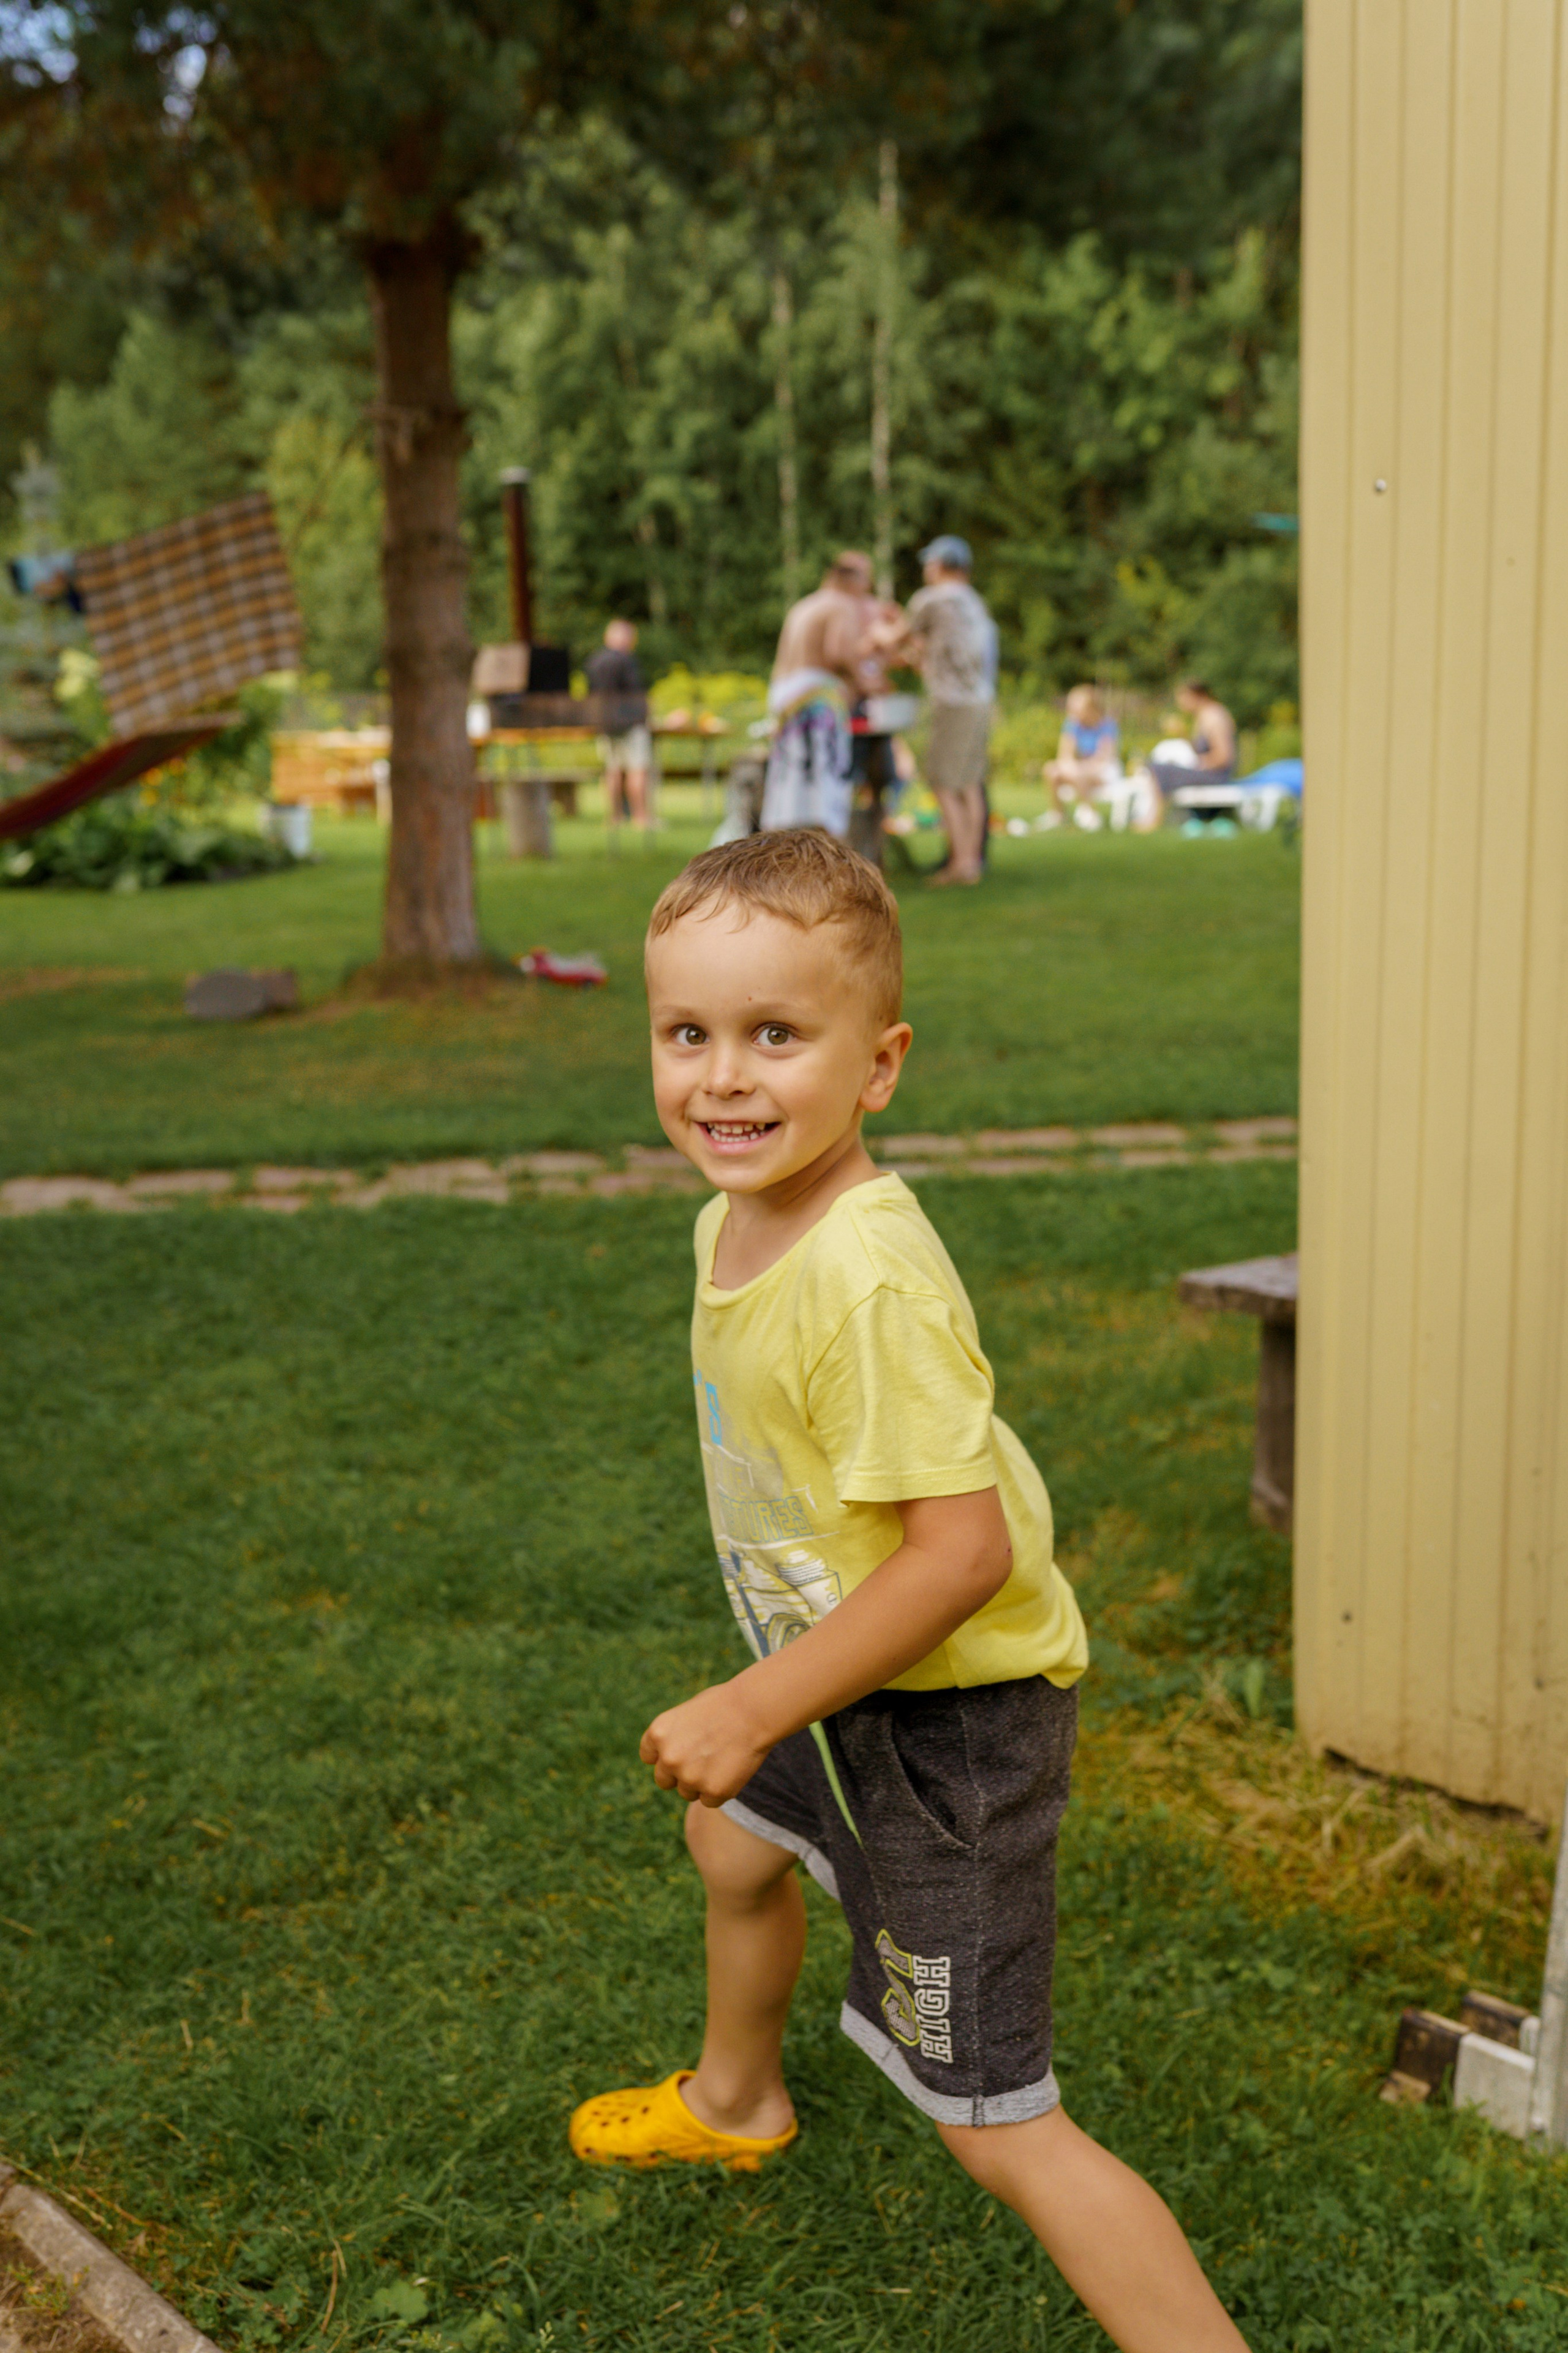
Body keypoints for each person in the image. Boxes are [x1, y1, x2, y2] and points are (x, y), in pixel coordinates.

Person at [568, 829, 1252, 2353]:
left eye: (774, 1035)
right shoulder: (737, 1215)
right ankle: (734, 2100)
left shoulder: (864, 1282)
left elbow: (960, 1556)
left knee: (994, 2120)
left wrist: (750, 1699)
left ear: (877, 1065)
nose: (722, 1078)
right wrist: (781, 1698)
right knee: (730, 1836)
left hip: (950, 1724)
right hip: (840, 1669)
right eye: (686, 1033)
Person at [880, 535, 995, 886]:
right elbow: (932, 654)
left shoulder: (932, 599)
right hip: (980, 700)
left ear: (942, 565)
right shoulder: (972, 603)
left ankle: (962, 865)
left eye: (929, 563)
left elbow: (891, 641)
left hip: (954, 704)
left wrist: (876, 630)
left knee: (944, 782)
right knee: (970, 783)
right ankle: (971, 862)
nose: (926, 569)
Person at [761, 553, 878, 838]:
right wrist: (864, 680)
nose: (868, 588)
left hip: (784, 696)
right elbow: (839, 652)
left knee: (789, 783)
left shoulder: (805, 605)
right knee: (824, 782)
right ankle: (828, 849)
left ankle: (781, 849)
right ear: (852, 580)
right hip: (816, 699)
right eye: (867, 580)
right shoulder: (842, 604)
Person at [1139, 679, 1237, 828]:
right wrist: (1182, 733)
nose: (1180, 703)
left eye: (1183, 697)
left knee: (1158, 769)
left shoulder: (1214, 716)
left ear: (1197, 695)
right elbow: (1198, 751)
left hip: (1217, 775)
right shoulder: (1203, 716)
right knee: (1159, 766)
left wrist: (1195, 764)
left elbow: (1224, 758)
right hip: (1209, 772)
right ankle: (1153, 817)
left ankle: (1154, 820)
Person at [587, 619, 652, 831]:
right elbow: (635, 693)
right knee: (637, 770)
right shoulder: (627, 661)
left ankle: (615, 817)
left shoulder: (594, 661)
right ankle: (641, 818)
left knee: (613, 770)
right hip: (630, 723)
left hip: (605, 723)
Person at [1044, 684, 1122, 830]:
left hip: (1104, 771)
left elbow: (1104, 758)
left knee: (1078, 773)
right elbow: (1064, 755)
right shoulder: (1073, 725)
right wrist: (1072, 766)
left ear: (1091, 708)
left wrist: (1078, 767)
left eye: (1077, 710)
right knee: (1052, 770)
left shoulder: (1107, 726)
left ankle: (1091, 813)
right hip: (1079, 770)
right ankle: (1058, 815)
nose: (1072, 713)